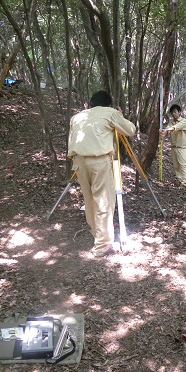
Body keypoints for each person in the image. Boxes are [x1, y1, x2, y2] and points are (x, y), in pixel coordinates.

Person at [68, 90, 136, 256]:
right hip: (98, 161)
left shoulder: (77, 117)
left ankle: (97, 234)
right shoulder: (110, 112)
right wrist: (119, 114)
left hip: (78, 162)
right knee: (104, 201)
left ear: (90, 104)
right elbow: (130, 130)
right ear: (109, 104)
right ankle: (102, 245)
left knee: (89, 200)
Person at [159, 104, 186, 188]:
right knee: (176, 166)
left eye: (175, 112)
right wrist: (163, 133)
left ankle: (185, 184)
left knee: (182, 165)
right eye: (172, 112)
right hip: (173, 146)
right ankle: (180, 181)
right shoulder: (171, 123)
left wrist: (167, 129)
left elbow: (175, 127)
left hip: (181, 147)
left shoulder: (183, 121)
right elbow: (167, 132)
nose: (173, 114)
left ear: (179, 112)